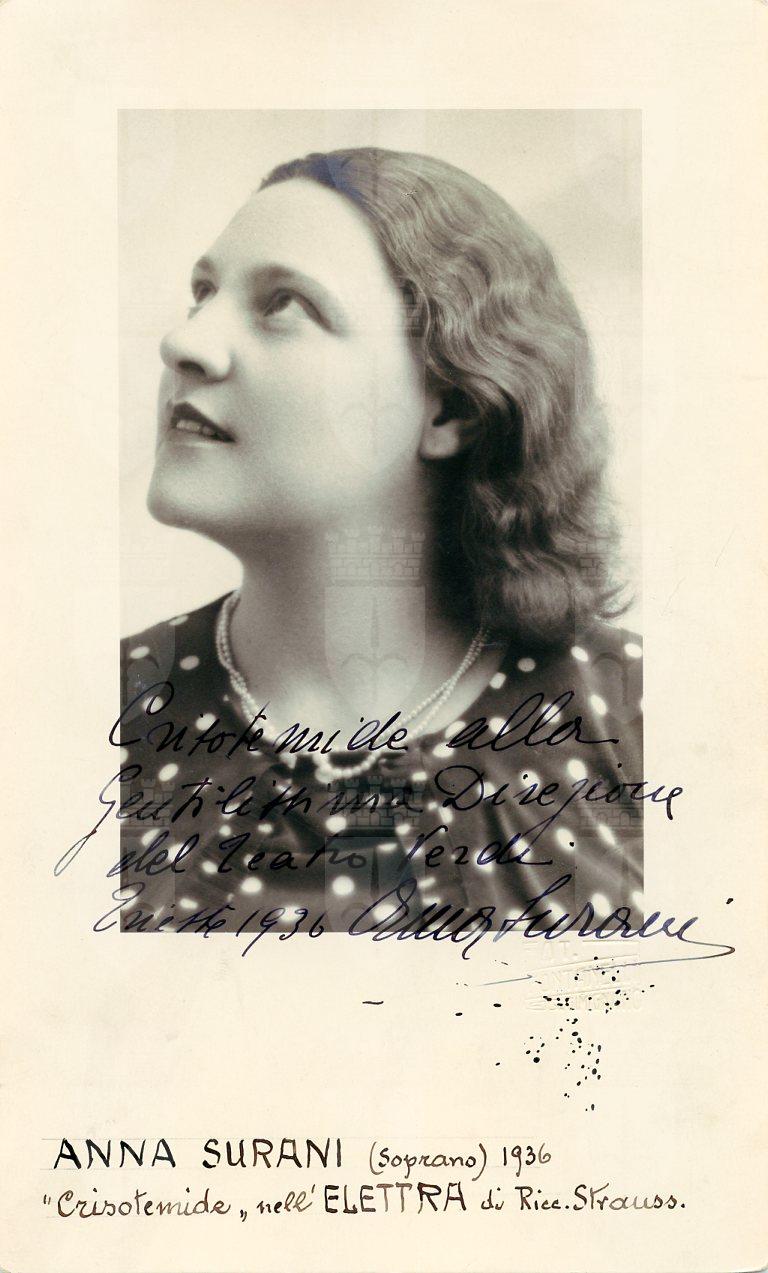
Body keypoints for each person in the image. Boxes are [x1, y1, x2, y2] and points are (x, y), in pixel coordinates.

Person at [117, 146, 642, 940]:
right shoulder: (86, 716)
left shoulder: (635, 717)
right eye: (203, 292)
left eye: (284, 304)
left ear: (450, 409)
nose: (184, 343)